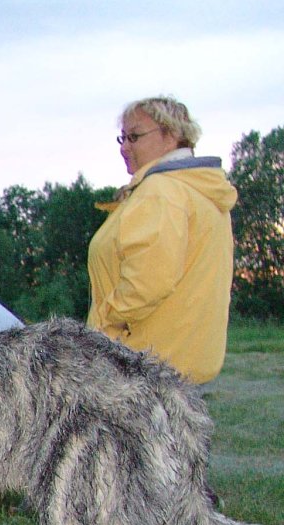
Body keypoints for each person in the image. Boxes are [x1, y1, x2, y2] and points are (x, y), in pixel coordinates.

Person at [87, 96, 237, 385]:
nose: (124, 147)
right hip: (182, 363)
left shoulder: (161, 192)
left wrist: (101, 328)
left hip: (143, 368)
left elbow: (147, 282)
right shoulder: (199, 191)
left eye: (135, 136)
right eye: (122, 137)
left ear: (172, 135)